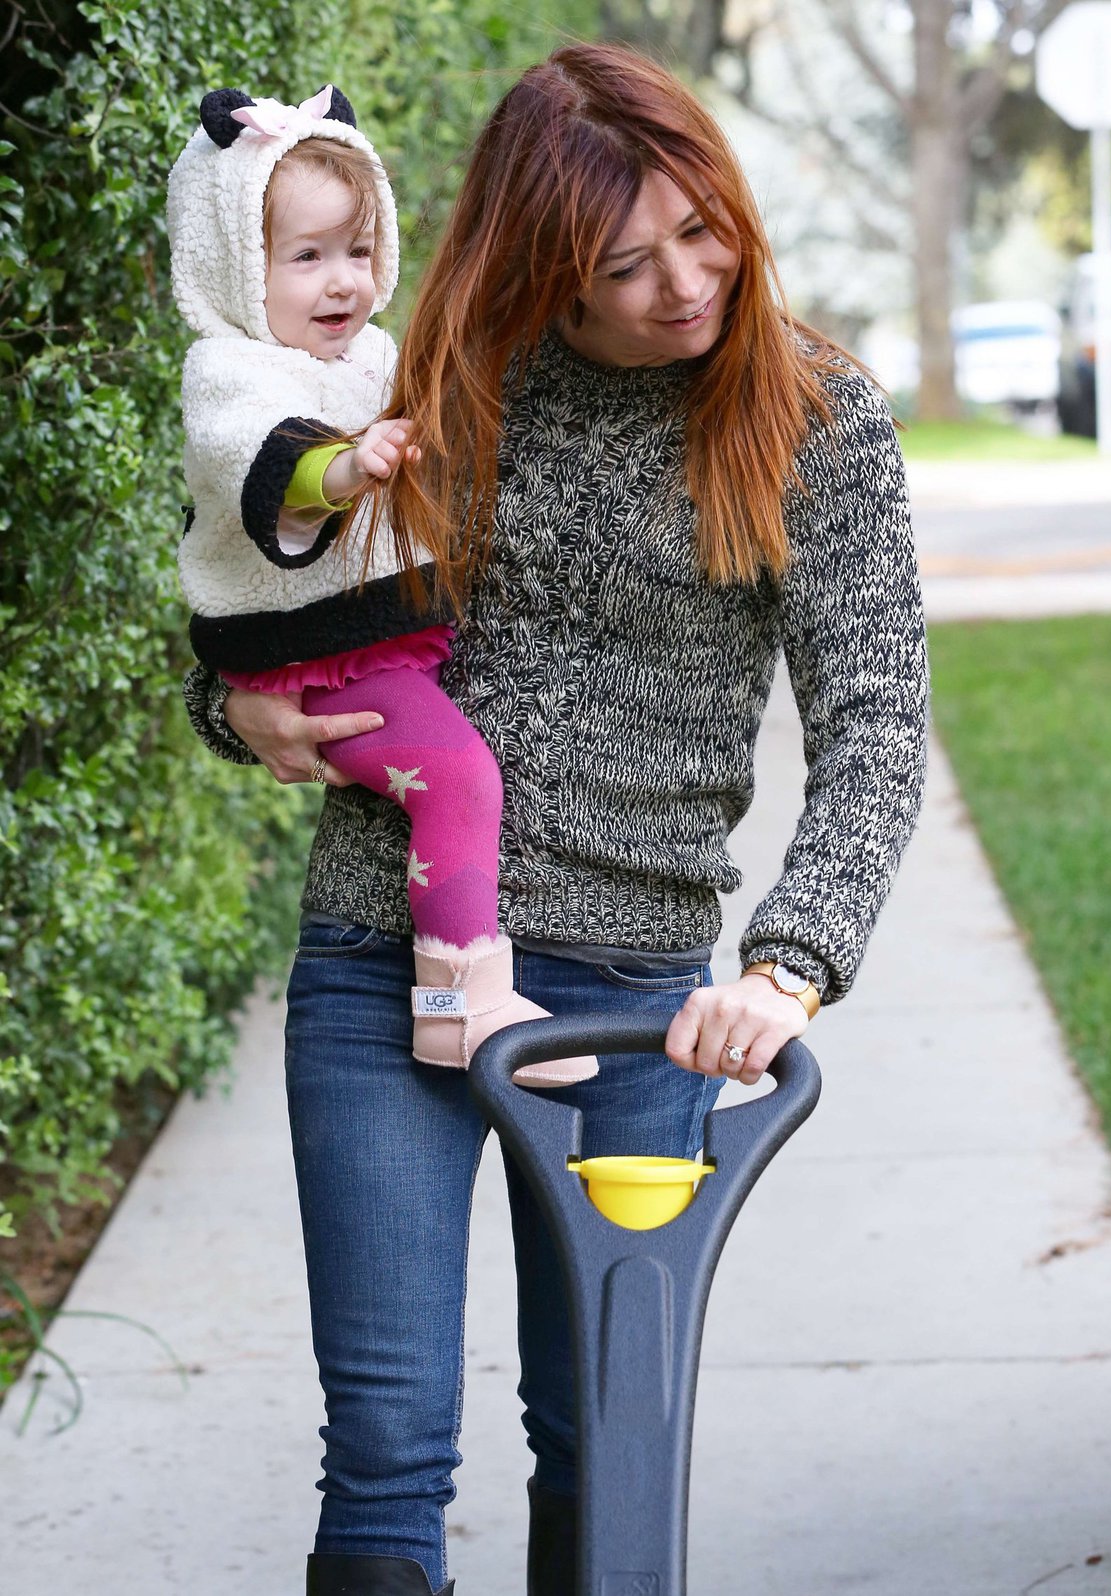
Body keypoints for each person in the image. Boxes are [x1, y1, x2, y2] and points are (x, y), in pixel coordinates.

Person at [183, 43, 928, 1596]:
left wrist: (786, 966)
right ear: (544, 266)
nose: (684, 283)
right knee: (386, 1444)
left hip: (645, 1003)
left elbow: (875, 723)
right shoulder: (436, 382)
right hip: (387, 963)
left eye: (702, 229)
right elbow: (268, 587)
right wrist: (232, 711)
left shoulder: (814, 418)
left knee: (601, 1439)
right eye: (624, 260)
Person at [167, 83, 594, 1086]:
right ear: (235, 265)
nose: (342, 283)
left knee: (453, 779)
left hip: (359, 637)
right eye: (304, 257)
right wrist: (348, 467)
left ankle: (464, 1002)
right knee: (457, 780)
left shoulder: (367, 355)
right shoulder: (232, 370)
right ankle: (461, 1007)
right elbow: (266, 460)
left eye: (357, 252)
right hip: (310, 653)